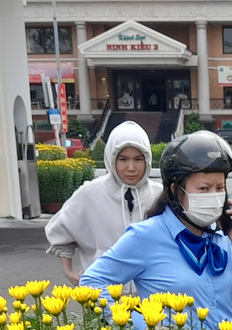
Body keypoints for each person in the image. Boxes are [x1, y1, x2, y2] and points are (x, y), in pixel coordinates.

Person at [80, 130, 232, 330]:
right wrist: (144, 327)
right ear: (177, 190)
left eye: (219, 188)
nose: (214, 195)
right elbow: (91, 282)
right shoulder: (146, 236)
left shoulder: (223, 234)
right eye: (203, 188)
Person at [44, 121, 159, 283]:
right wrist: (68, 271)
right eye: (123, 159)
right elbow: (60, 231)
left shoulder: (160, 195)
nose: (131, 167)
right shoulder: (89, 194)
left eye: (138, 159)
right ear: (112, 159)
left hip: (151, 298)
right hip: (102, 294)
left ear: (147, 160)